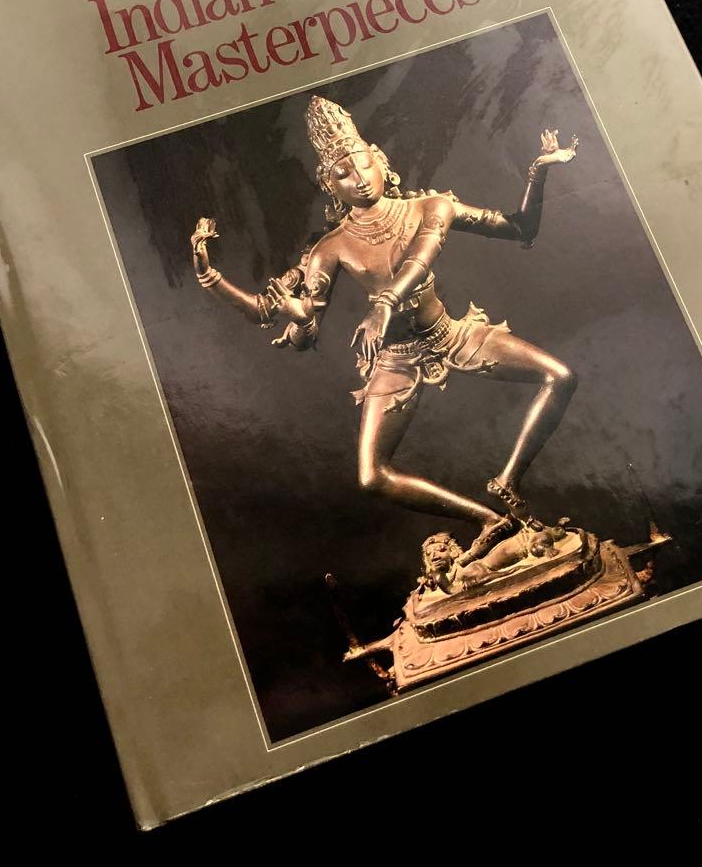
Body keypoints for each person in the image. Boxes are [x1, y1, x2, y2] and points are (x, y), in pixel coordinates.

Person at [191, 95, 578, 563]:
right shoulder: (330, 248)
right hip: (395, 360)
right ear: (331, 186)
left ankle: (507, 482)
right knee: (372, 476)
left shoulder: (431, 207)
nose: (359, 178)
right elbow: (285, 323)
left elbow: (516, 230)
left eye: (363, 164)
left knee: (559, 377)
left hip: (451, 334)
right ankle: (488, 520)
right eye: (343, 174)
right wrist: (215, 280)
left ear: (379, 160)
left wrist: (538, 171)